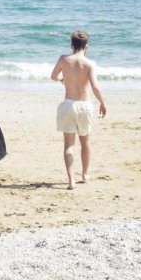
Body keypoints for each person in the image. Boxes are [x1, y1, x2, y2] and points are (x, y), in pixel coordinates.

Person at [50, 30, 107, 189]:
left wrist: (63, 79)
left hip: (68, 105)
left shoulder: (63, 59)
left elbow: (53, 76)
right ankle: (85, 174)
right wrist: (102, 102)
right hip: (84, 106)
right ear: (86, 47)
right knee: (85, 143)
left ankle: (71, 180)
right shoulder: (89, 64)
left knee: (68, 145)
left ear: (71, 45)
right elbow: (95, 86)